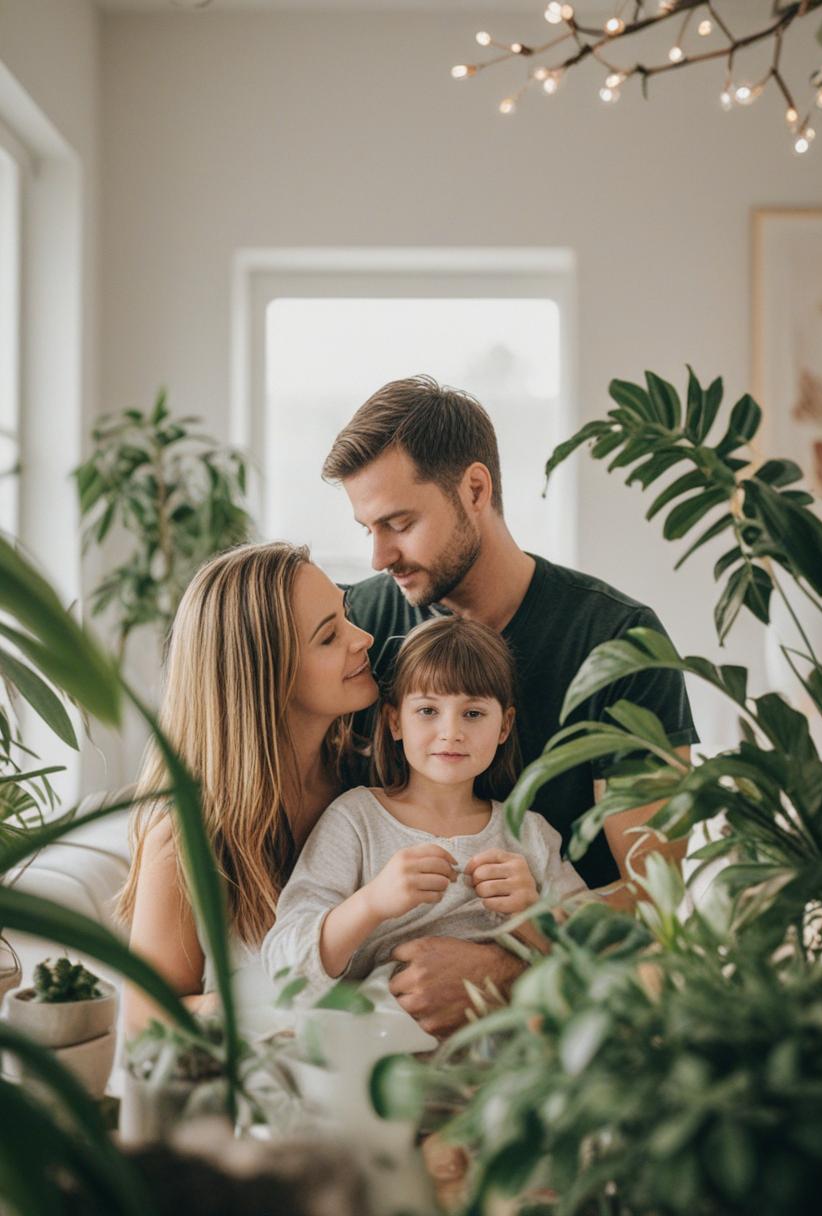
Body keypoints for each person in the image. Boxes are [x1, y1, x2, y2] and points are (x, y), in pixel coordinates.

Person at [322, 375, 698, 1036]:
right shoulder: (360, 628)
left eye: (400, 523)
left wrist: (501, 972)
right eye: (367, 529)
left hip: (570, 1013)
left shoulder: (619, 643)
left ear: (475, 489)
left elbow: (653, 898)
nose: (379, 556)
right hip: (377, 1019)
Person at [116, 541, 378, 1036]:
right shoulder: (184, 838)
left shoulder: (371, 777)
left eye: (345, 615)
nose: (362, 638)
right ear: (265, 678)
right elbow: (145, 1019)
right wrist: (281, 1012)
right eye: (329, 637)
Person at [261, 616, 587, 1010]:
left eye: (473, 714)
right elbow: (283, 967)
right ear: (395, 721)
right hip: (380, 1052)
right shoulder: (355, 819)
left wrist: (535, 914)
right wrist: (372, 903)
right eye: (428, 710)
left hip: (511, 1058)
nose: (451, 732)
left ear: (505, 726)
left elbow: (594, 962)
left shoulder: (529, 833)